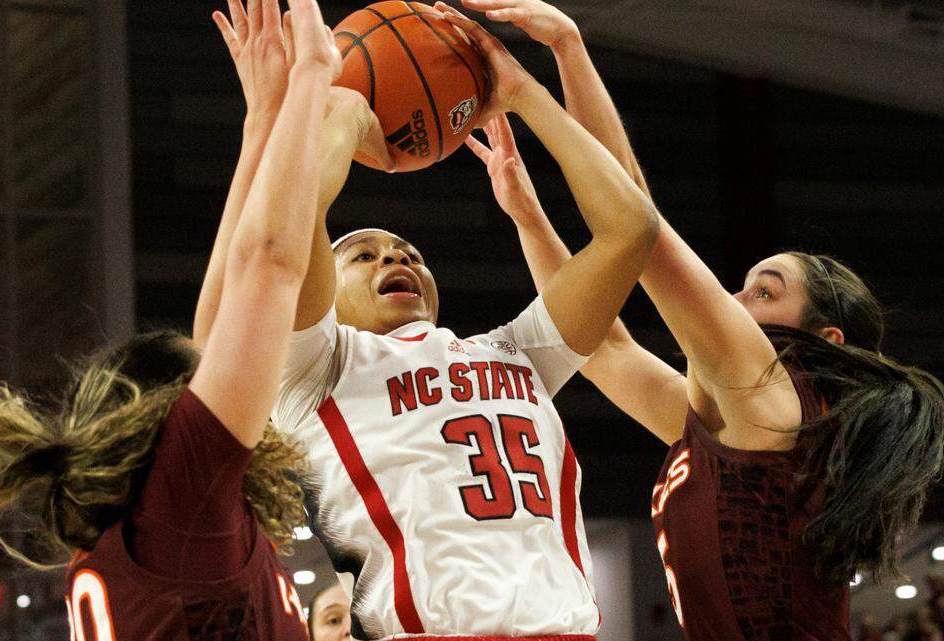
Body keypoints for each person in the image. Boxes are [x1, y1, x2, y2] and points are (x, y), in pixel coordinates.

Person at [453, 0, 944, 639]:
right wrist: (527, 214)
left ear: (824, 340)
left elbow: (639, 224)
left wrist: (542, 79)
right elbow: (602, 345)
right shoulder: (731, 430)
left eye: (765, 294)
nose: (735, 302)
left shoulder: (776, 401)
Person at [0, 1, 390, 639]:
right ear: (169, 418)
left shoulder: (151, 520)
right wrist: (311, 79)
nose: (229, 371)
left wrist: (263, 119)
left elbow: (223, 324)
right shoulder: (180, 501)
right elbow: (265, 267)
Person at [235, 9, 660, 641]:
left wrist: (524, 94)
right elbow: (291, 229)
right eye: (363, 253)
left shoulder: (516, 352)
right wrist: (347, 112)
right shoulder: (314, 367)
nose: (396, 257)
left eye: (409, 252)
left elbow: (632, 229)